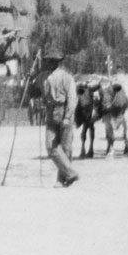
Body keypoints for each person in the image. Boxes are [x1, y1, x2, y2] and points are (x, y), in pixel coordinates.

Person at [39, 49, 79, 187]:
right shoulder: (43, 77)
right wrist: (29, 77)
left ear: (57, 62)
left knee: (65, 147)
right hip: (50, 112)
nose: (48, 63)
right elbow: (35, 88)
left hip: (63, 111)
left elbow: (72, 98)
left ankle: (62, 180)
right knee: (51, 147)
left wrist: (67, 117)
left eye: (51, 61)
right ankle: (71, 173)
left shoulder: (67, 77)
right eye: (48, 60)